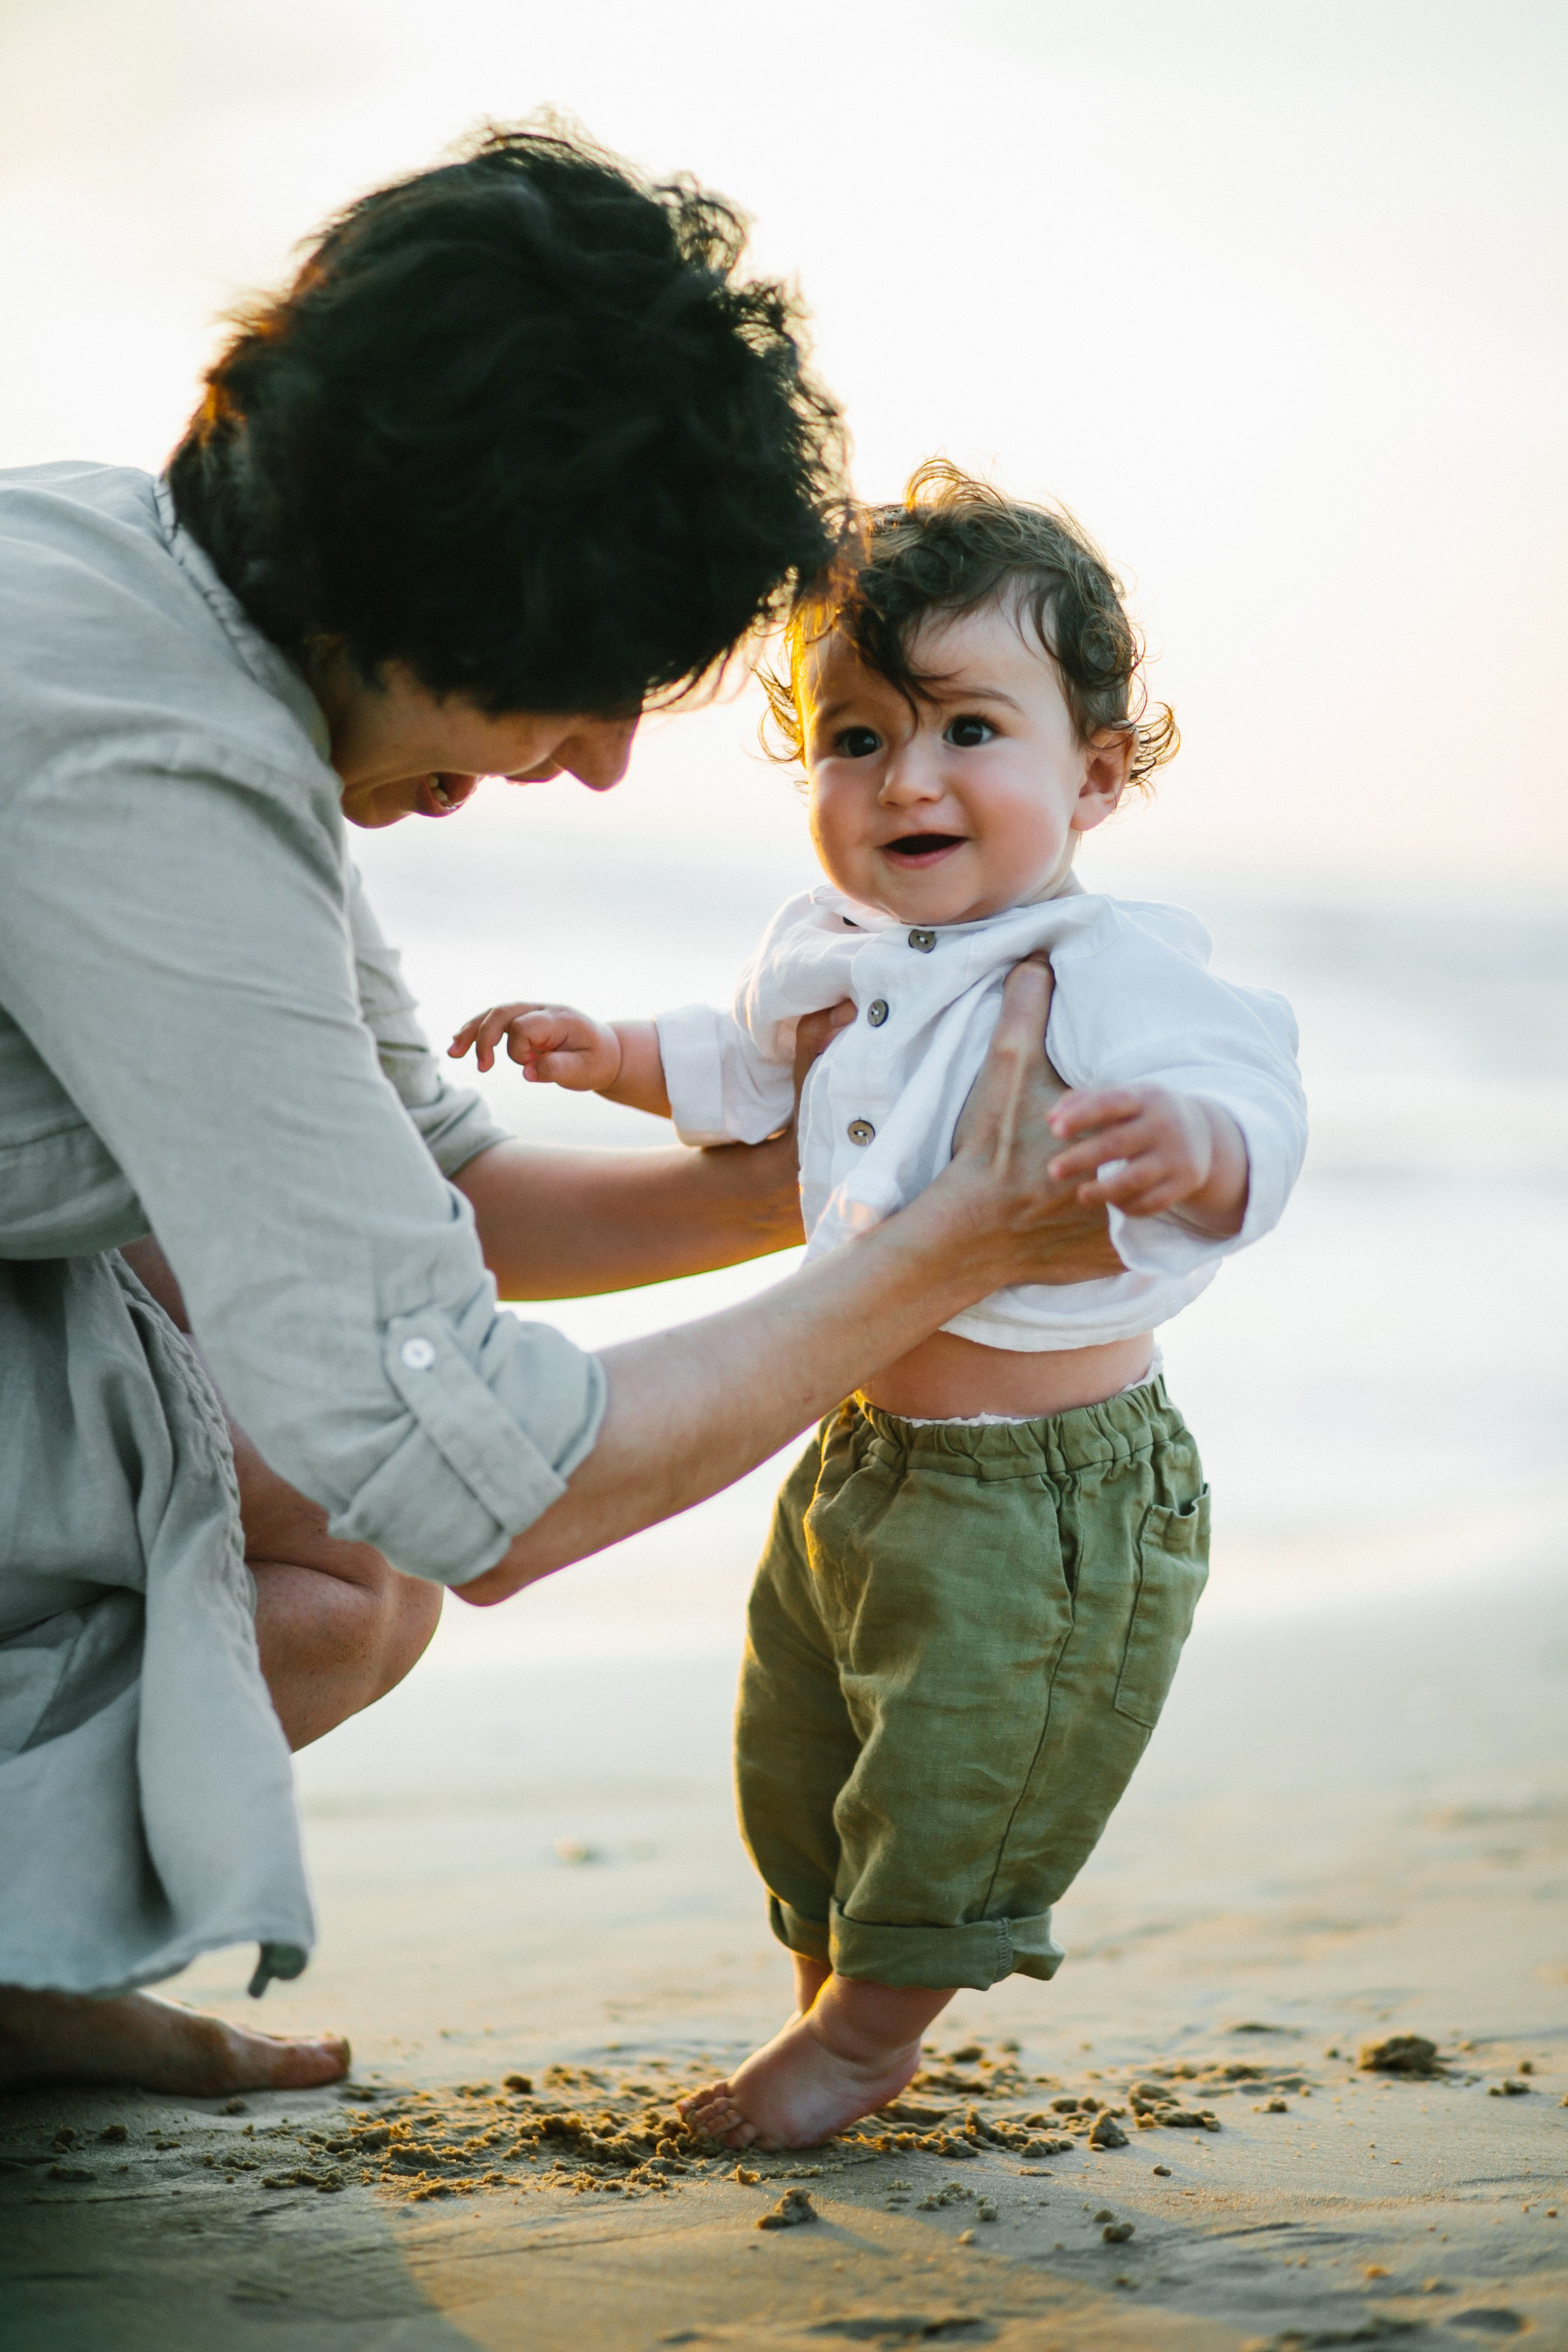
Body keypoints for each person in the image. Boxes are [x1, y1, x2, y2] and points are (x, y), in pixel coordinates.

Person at [0, 138, 1118, 2099]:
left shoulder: (147, 594)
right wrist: (941, 1255)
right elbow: (487, 1483)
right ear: (438, 588)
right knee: (377, 1517)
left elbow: (432, 1177)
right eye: (581, 689)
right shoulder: (146, 759)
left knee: (335, 1573)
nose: (596, 763)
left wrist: (833, 1173)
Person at [447, 464, 1308, 2149]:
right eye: (855, 739)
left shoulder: (1113, 964)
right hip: (856, 1451)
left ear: (1098, 773)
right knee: (805, 1747)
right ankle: (820, 1992)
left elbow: (1254, 1099)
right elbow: (739, 1075)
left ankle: (863, 2042)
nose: (908, 777)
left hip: (1049, 1494)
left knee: (963, 1776)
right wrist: (604, 1054)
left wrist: (1190, 1145)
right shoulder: (830, 948)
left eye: (969, 728)